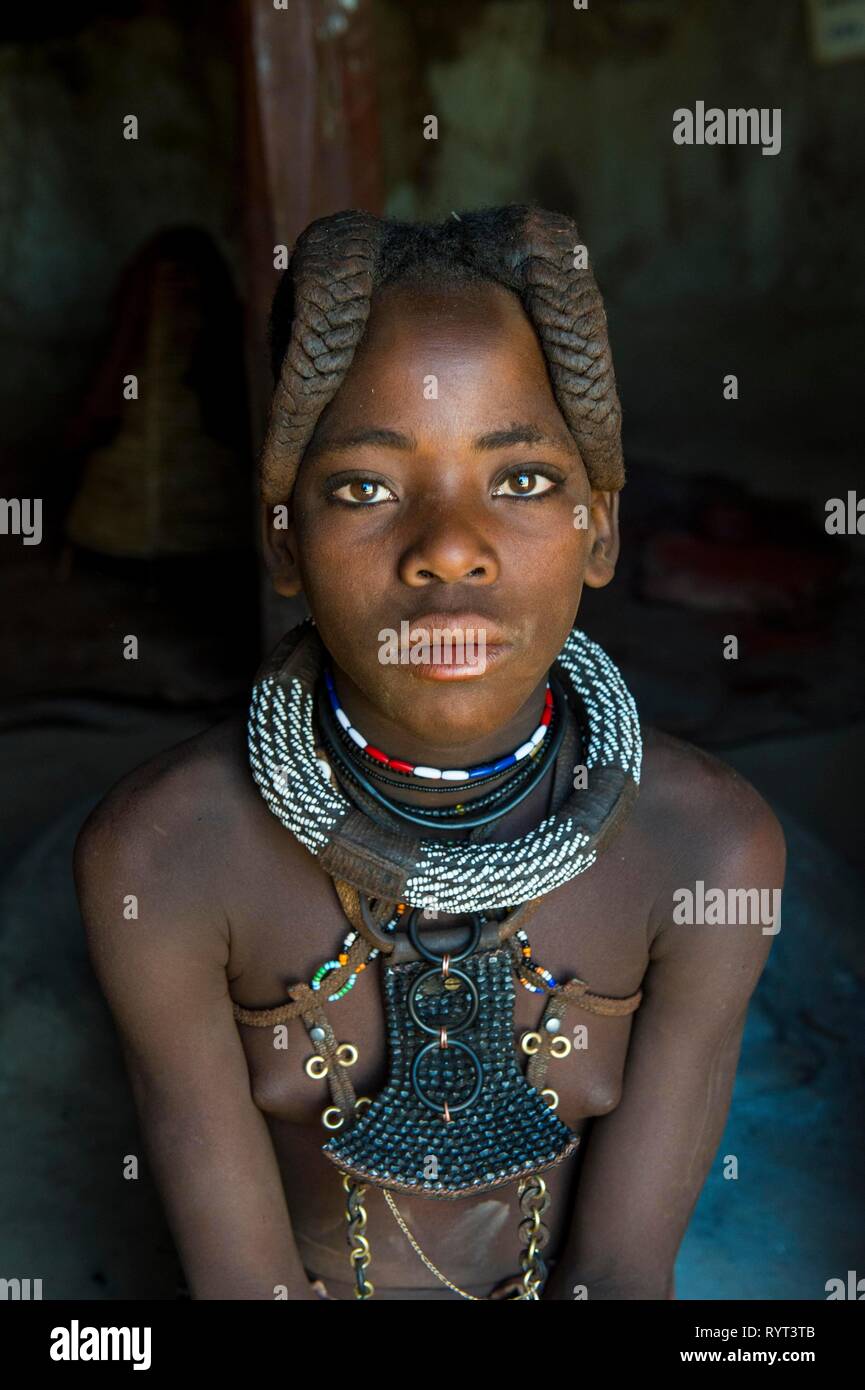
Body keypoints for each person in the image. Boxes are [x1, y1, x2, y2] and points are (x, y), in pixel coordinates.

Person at [73, 205, 786, 1301]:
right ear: (283, 539)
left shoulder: (711, 851)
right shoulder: (162, 860)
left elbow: (622, 1272)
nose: (449, 547)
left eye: (521, 482)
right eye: (363, 486)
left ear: (599, 527)